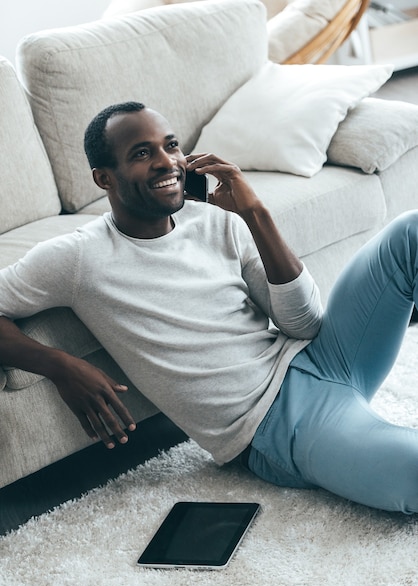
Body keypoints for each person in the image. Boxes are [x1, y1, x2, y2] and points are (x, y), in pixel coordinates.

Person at [0, 101, 417, 514]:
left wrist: (255, 213)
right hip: (276, 425)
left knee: (409, 230)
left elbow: (304, 324)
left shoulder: (216, 220)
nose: (167, 163)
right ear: (104, 178)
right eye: (142, 154)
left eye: (171, 146)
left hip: (326, 357)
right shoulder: (78, 257)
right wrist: (59, 365)